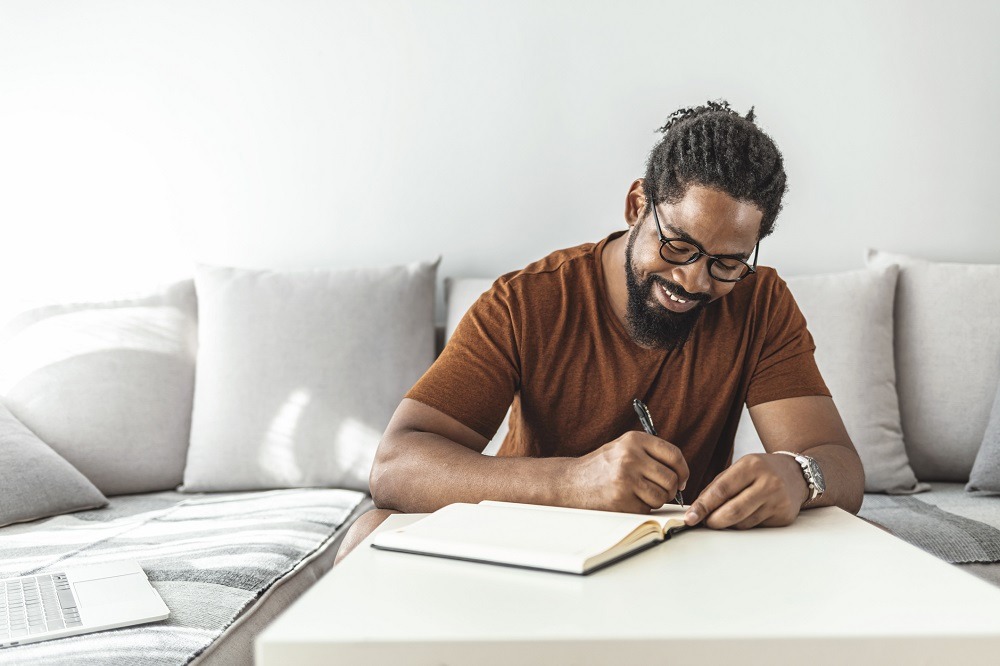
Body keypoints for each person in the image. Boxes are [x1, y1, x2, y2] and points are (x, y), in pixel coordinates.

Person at [335, 100, 865, 565]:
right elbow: (396, 465)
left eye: (727, 262)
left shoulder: (759, 302)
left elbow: (840, 465)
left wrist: (799, 476)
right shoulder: (527, 301)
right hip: (529, 539)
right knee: (366, 534)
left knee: (874, 542)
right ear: (638, 205)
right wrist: (574, 482)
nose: (693, 280)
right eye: (678, 245)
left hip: (685, 554)